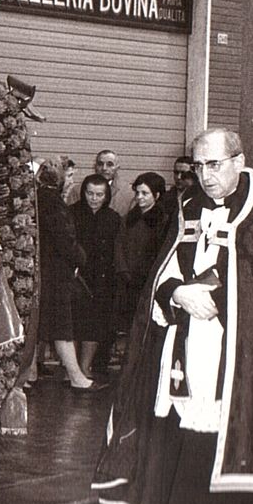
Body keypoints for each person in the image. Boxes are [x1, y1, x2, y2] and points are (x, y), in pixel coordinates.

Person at [93, 128, 253, 504]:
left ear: (239, 160)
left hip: (240, 350)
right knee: (190, 438)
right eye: (199, 166)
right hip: (189, 341)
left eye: (214, 165)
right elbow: (166, 265)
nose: (205, 175)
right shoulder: (188, 206)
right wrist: (177, 294)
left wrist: (214, 299)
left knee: (234, 433)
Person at [35, 159, 96, 391]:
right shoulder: (53, 203)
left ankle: (29, 376)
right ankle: (76, 377)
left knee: (42, 325)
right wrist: (80, 258)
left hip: (46, 271)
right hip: (56, 274)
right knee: (62, 326)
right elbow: (65, 240)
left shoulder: (40, 198)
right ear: (57, 178)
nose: (72, 182)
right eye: (69, 176)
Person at [72, 173, 123, 380]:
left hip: (102, 280)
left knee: (94, 326)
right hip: (77, 277)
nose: (94, 198)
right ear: (83, 193)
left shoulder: (113, 218)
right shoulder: (72, 213)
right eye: (90, 193)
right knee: (74, 324)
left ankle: (85, 368)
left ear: (106, 195)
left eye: (99, 194)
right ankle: (72, 369)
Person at [116, 172, 174, 333]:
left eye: (145, 193)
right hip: (127, 279)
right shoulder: (128, 218)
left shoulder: (164, 221)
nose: (139, 197)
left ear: (156, 195)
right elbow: (119, 245)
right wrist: (123, 270)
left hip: (148, 280)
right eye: (137, 193)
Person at [91, 149, 125, 214]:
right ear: (95, 167)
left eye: (109, 164)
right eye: (100, 164)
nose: (104, 168)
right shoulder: (78, 191)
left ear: (117, 168)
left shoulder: (128, 193)